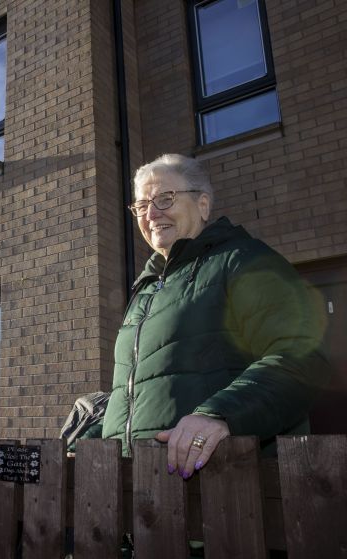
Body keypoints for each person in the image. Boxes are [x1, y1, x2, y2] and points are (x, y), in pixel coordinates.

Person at [101, 154, 329, 479]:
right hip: (137, 490)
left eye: (164, 199)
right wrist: (99, 426)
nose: (151, 214)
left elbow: (303, 357)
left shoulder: (243, 260)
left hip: (224, 490)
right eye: (140, 206)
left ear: (203, 204)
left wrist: (219, 415)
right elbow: (150, 388)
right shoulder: (145, 289)